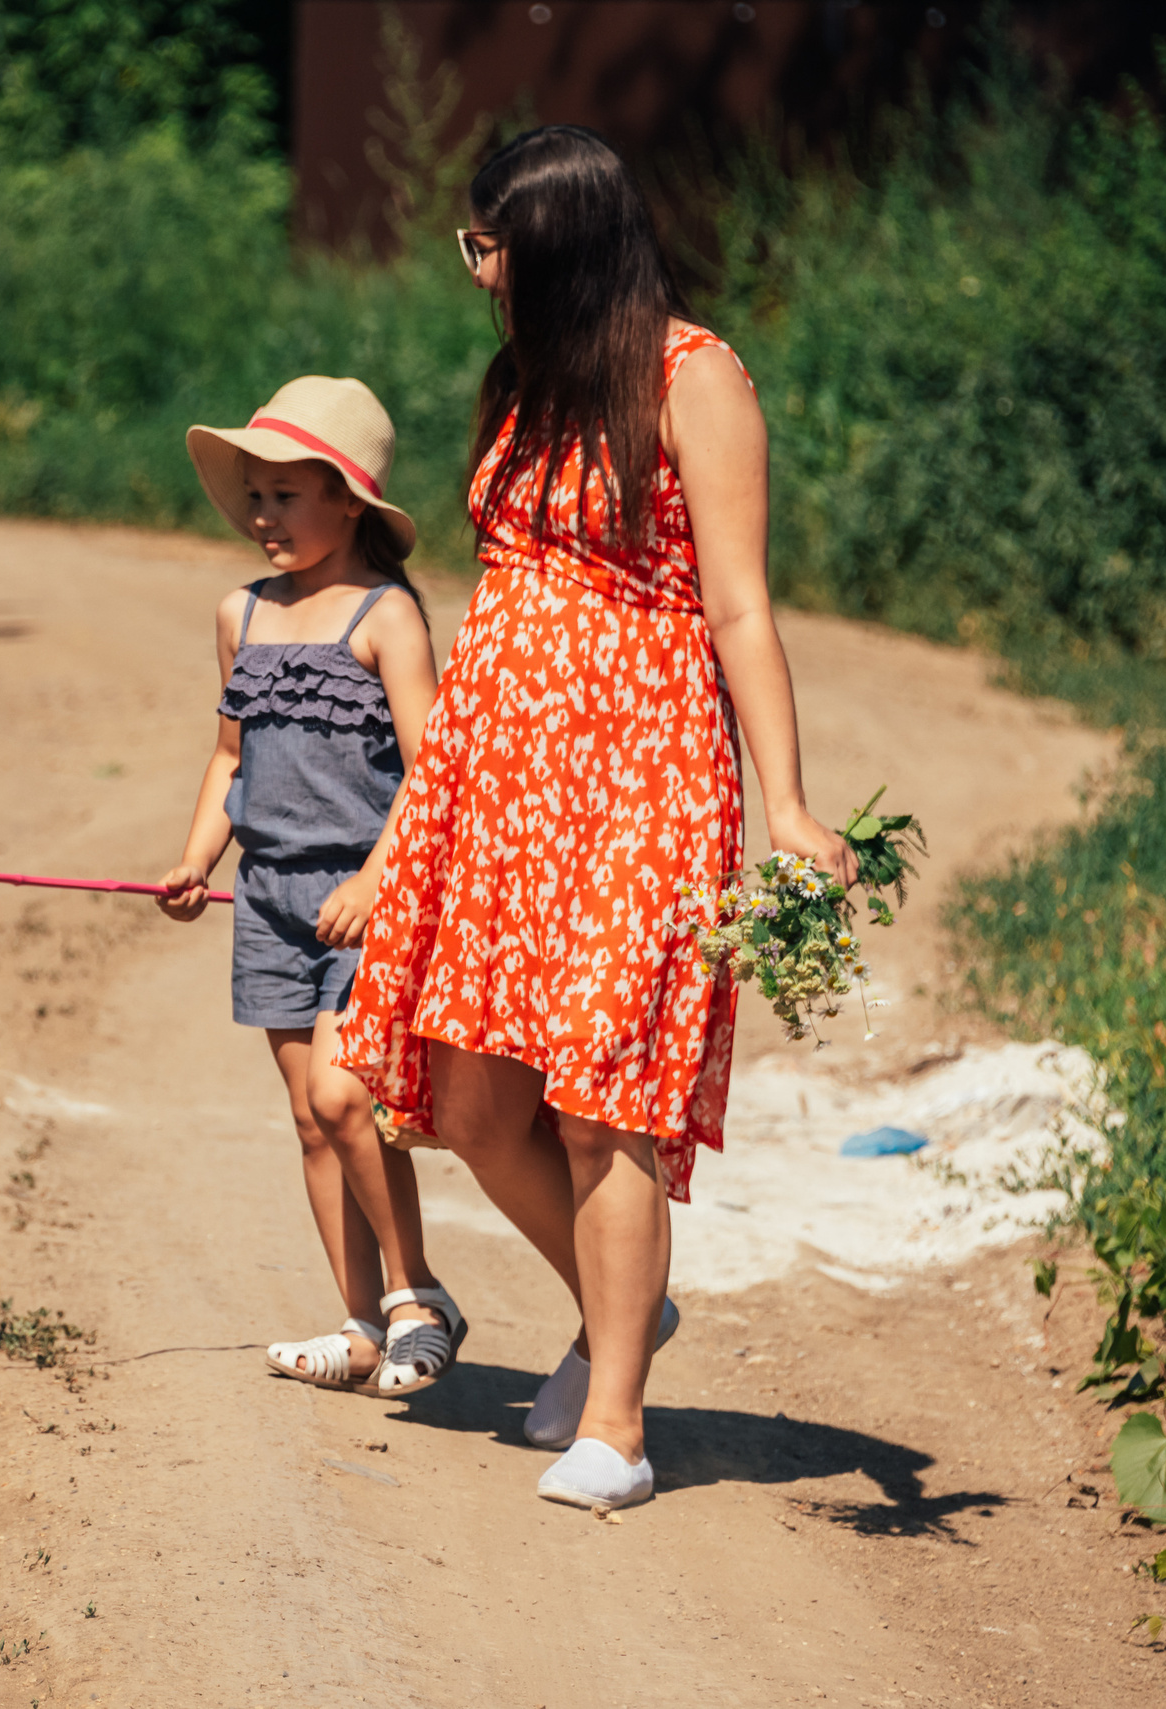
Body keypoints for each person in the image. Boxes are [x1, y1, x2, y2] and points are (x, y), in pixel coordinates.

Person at [337, 128, 859, 1511]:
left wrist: (790, 803)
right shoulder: (525, 382)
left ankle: (616, 1425)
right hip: (500, 781)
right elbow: (508, 591)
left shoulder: (694, 379)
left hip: (643, 774)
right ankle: (618, 1304)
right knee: (466, 1092)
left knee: (602, 1098)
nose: (477, 267)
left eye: (489, 243)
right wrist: (418, 804)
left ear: (561, 246)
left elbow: (740, 604)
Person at [157, 376, 460, 1397]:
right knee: (306, 1117)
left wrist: (380, 878)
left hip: (363, 898)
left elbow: (429, 773)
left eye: (287, 494)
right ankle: (360, 1322)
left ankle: (420, 1296)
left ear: (348, 503)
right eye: (255, 493)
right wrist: (198, 858)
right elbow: (227, 759)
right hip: (272, 899)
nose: (263, 515)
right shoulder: (239, 612)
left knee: (346, 1097)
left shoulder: (386, 618)